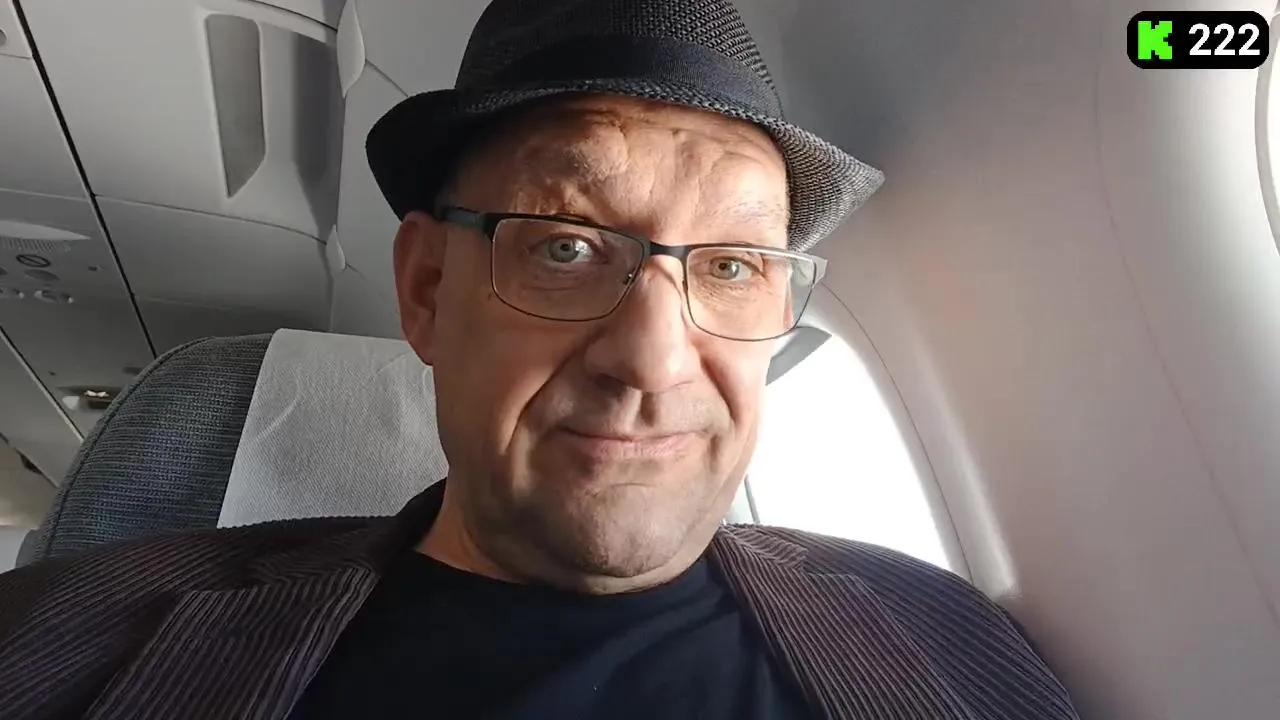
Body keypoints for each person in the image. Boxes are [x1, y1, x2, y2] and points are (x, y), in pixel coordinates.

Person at [0, 1, 1080, 718]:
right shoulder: (64, 640)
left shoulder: (939, 631)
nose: (654, 361)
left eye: (732, 265)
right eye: (565, 248)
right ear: (428, 289)